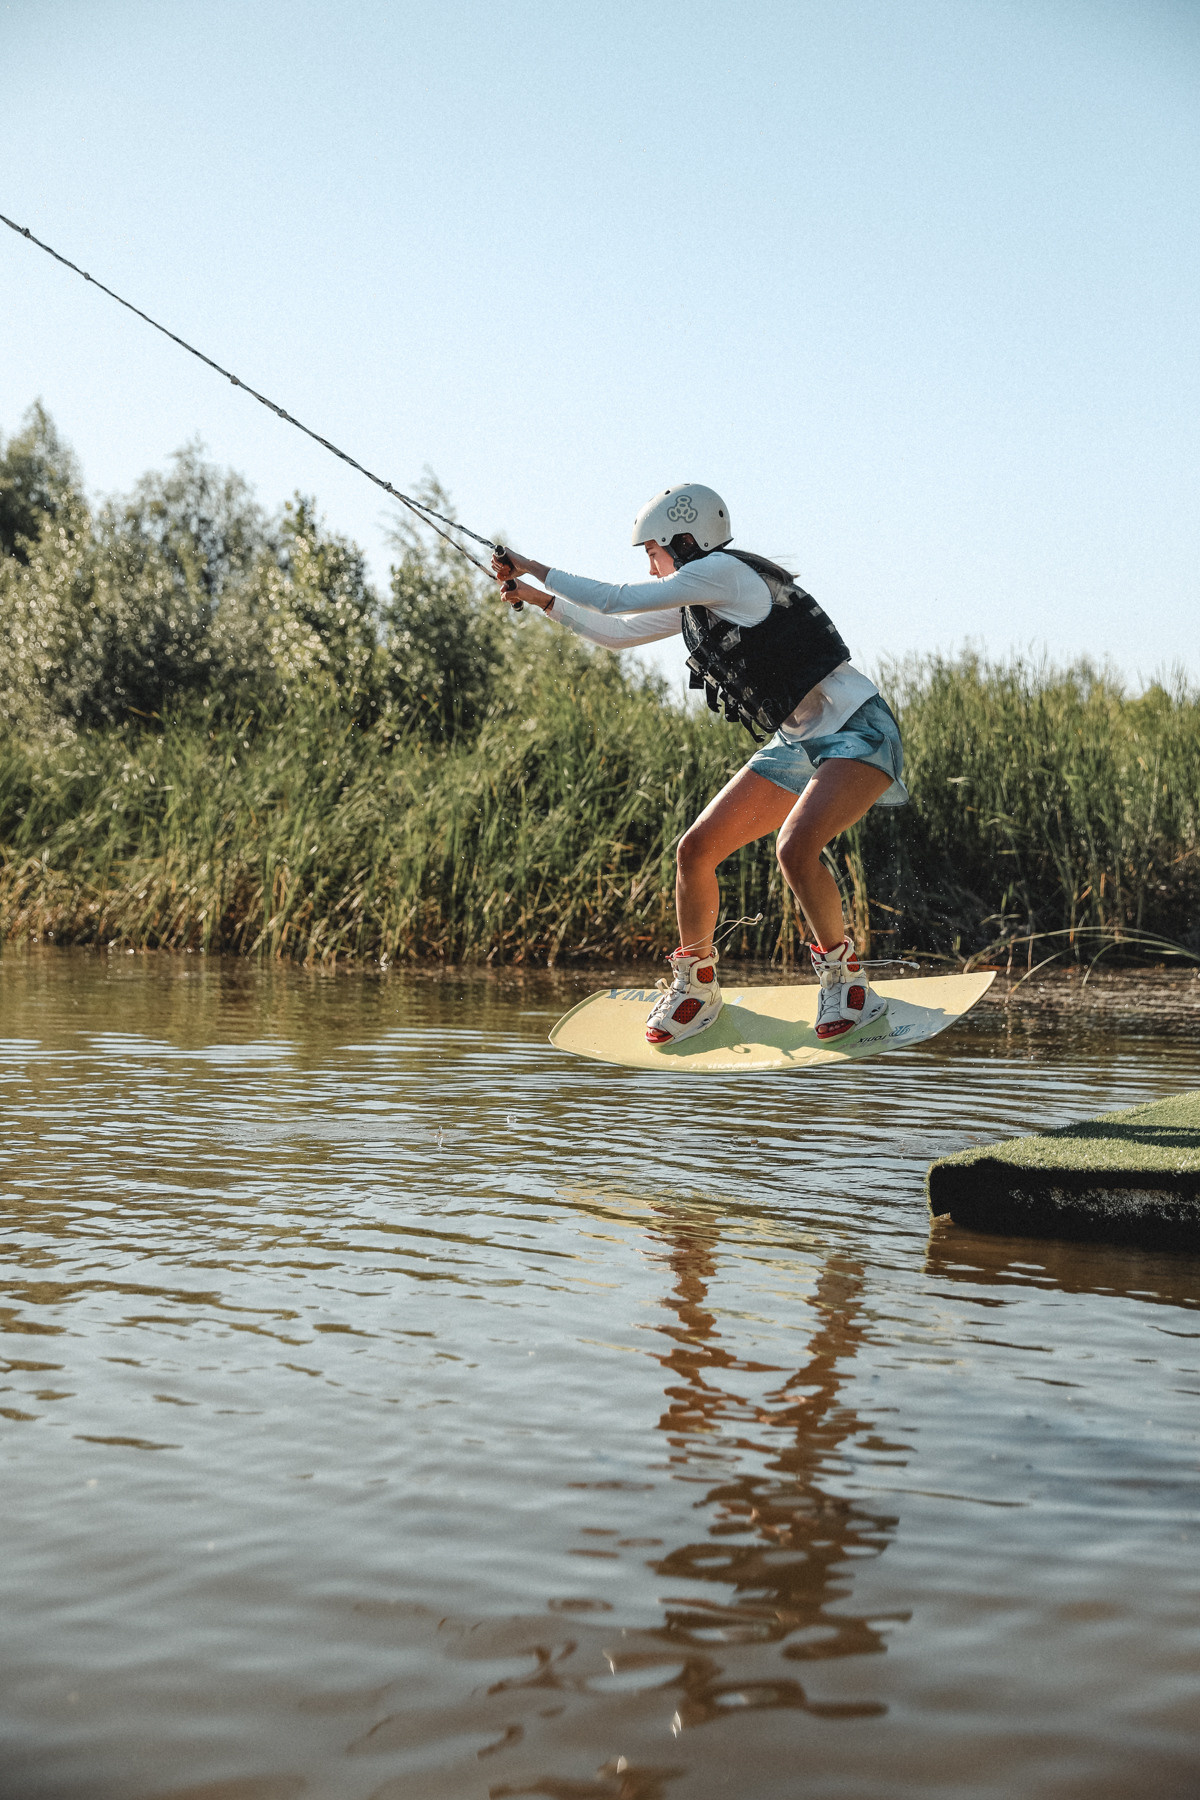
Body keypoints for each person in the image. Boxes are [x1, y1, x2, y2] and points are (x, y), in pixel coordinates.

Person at [491, 485, 908, 1045]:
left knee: (794, 847)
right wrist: (541, 600)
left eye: (651, 550)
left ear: (684, 541)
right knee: (696, 850)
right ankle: (697, 985)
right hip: (797, 743)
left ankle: (848, 985)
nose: (649, 563)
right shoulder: (700, 597)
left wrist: (535, 567)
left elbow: (615, 599)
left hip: (856, 728)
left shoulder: (724, 573)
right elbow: (616, 633)